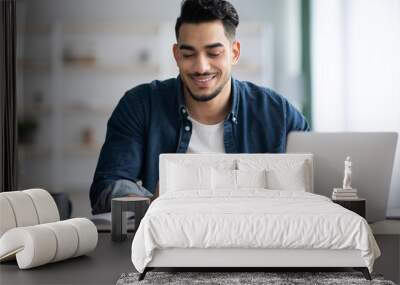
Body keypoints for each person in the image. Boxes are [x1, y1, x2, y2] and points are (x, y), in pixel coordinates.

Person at [90, 0, 310, 214]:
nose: (201, 67)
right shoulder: (140, 104)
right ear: (176, 55)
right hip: (170, 243)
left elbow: (316, 182)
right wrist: (153, 202)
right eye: (188, 54)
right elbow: (105, 188)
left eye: (214, 53)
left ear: (234, 53)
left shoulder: (277, 113)